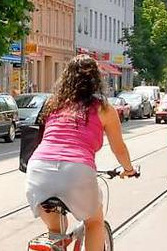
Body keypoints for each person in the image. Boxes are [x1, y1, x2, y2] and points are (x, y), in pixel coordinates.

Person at [25, 55, 137, 251]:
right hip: (76, 171)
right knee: (94, 222)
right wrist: (129, 169)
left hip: (38, 168)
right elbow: (118, 148)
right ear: (96, 80)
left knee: (56, 229)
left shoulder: (54, 105)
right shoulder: (103, 108)